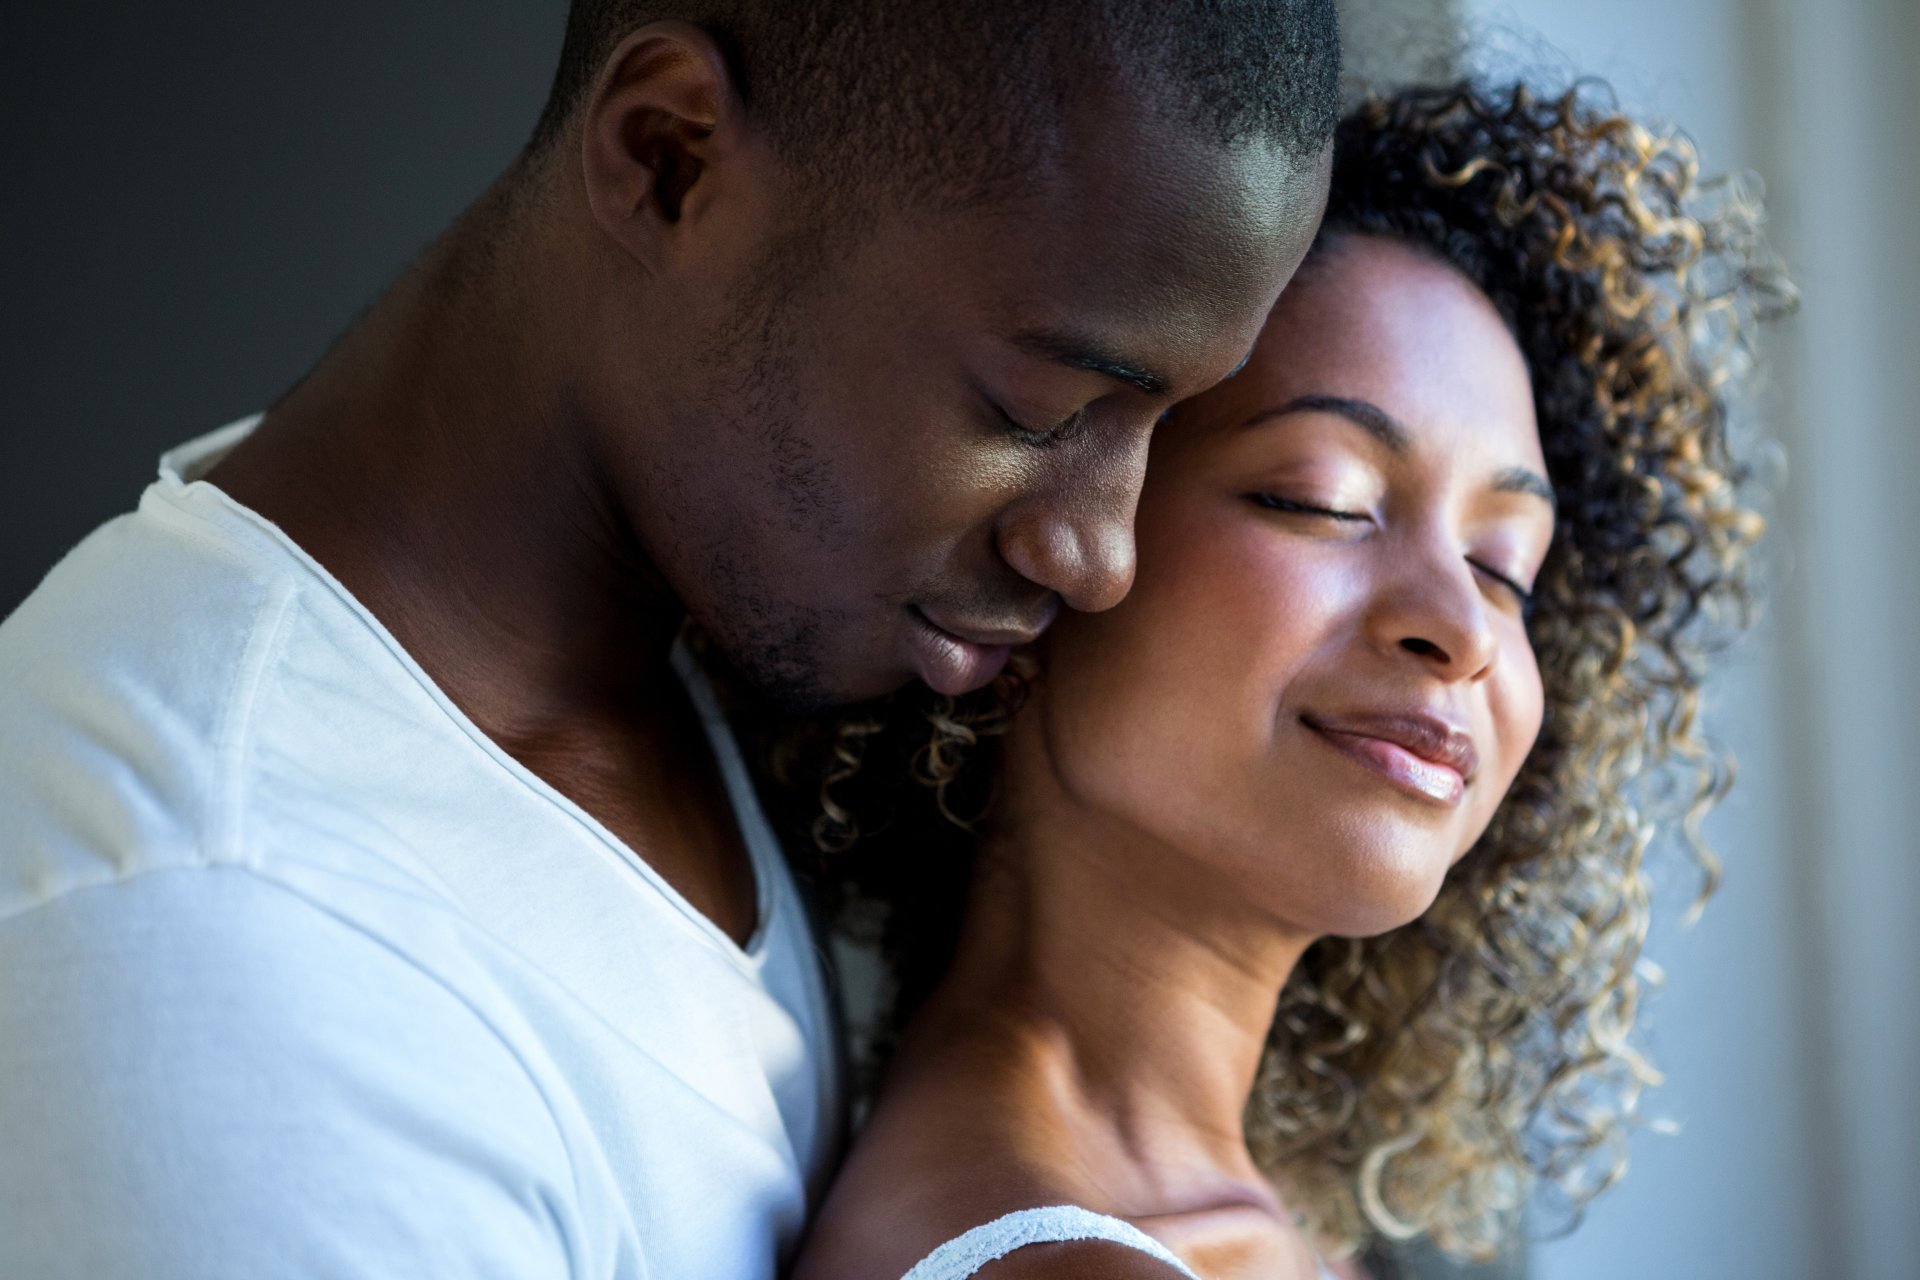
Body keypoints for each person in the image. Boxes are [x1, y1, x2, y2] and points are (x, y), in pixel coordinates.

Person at [0, 4, 1342, 1278]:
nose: (1103, 556)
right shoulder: (217, 949)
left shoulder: (699, 654)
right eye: (1036, 409)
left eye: (1166, 423)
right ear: (671, 157)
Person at [774, 80, 1794, 1279]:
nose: (1460, 623)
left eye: (1506, 565)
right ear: (1040, 554)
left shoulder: (1227, 1224)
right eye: (1324, 498)